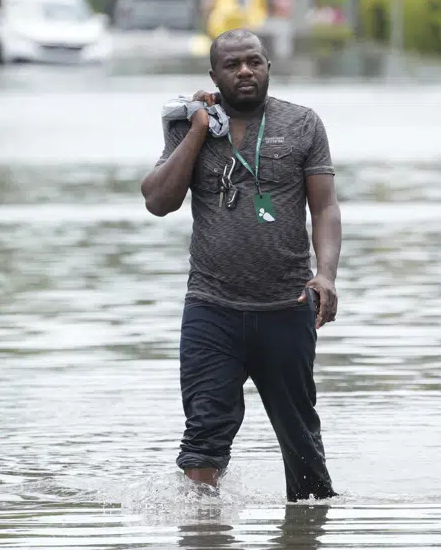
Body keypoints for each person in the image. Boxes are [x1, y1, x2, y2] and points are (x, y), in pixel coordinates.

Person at [139, 28, 342, 502]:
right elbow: (157, 201)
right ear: (214, 76)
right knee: (203, 437)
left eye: (254, 61)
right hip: (212, 308)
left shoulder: (303, 124)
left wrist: (326, 274)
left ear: (268, 66)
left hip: (287, 306)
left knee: (302, 444)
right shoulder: (188, 125)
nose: (245, 71)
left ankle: (309, 526)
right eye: (232, 65)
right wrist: (195, 131)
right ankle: (203, 528)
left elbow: (326, 207)